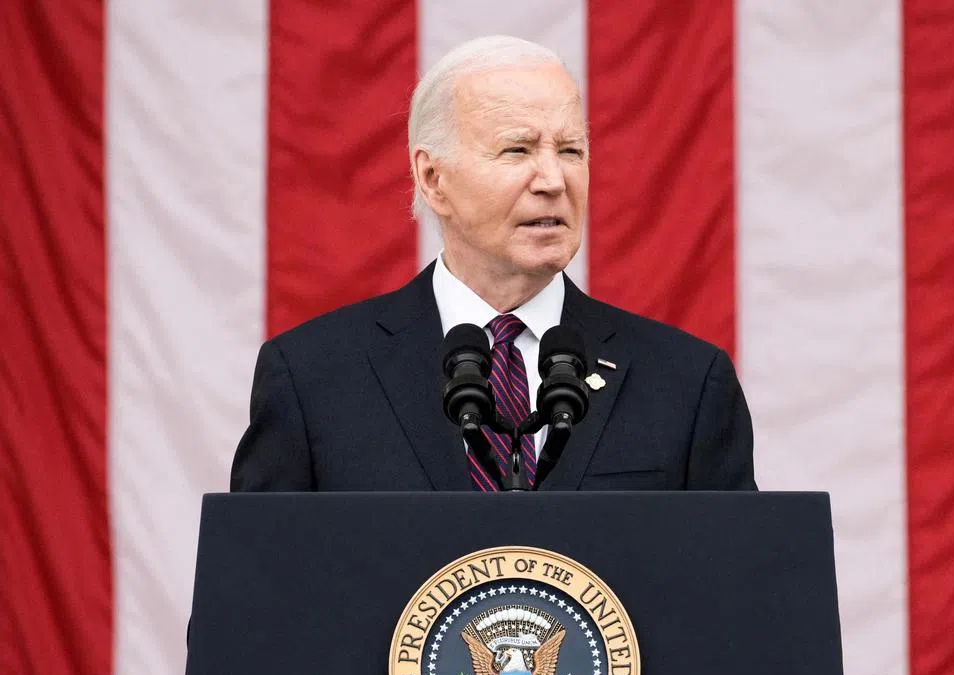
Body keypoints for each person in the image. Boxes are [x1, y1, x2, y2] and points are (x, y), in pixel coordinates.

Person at [229, 35, 756, 492]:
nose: (553, 180)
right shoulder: (313, 379)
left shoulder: (687, 383)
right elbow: (253, 594)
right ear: (434, 179)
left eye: (570, 151)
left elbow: (740, 595)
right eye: (517, 151)